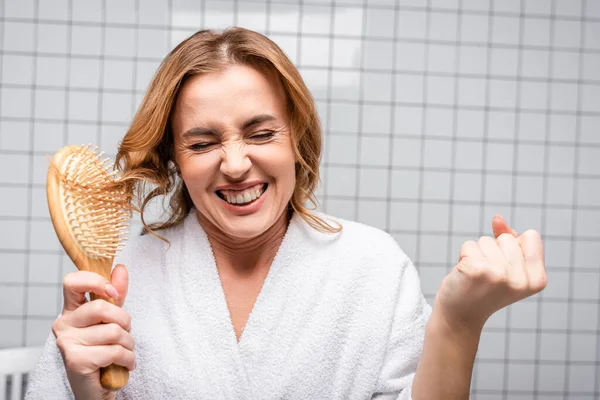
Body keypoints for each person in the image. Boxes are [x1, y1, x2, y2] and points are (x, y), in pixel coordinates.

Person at [26, 27, 546, 399]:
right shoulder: (119, 280)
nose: (235, 164)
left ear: (296, 136)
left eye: (261, 133)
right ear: (175, 159)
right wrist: (86, 394)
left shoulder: (374, 267)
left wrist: (456, 323)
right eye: (203, 142)